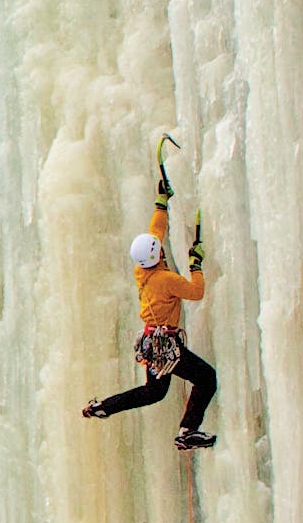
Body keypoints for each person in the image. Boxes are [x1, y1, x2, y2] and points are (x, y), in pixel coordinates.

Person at [84, 148, 215, 449]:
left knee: (153, 392)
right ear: (157, 256)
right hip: (166, 346)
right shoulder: (166, 280)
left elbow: (154, 232)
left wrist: (161, 202)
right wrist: (196, 265)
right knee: (207, 378)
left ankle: (103, 406)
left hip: (150, 343)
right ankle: (187, 431)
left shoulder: (142, 271)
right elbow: (196, 292)